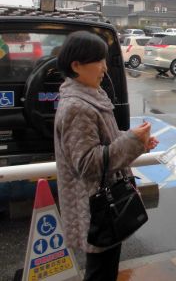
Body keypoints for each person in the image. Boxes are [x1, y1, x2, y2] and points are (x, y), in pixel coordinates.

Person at [54, 30, 159, 281]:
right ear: (76, 65)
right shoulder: (77, 107)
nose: (105, 67)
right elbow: (88, 164)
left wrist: (137, 140)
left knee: (106, 269)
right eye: (98, 60)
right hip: (96, 208)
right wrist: (132, 141)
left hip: (105, 204)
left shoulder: (91, 95)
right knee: (100, 273)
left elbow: (107, 140)